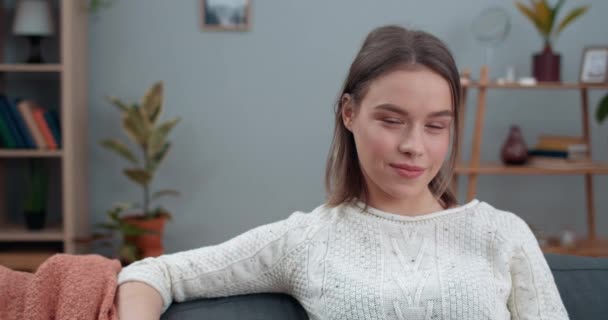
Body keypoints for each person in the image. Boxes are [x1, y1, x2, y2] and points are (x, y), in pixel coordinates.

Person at [116, 25, 568, 320]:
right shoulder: (307, 240)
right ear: (349, 113)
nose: (414, 145)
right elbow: (156, 273)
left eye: (436, 126)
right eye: (392, 121)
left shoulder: (501, 234)